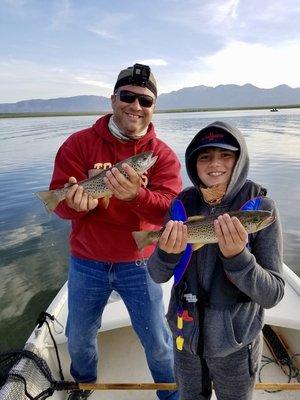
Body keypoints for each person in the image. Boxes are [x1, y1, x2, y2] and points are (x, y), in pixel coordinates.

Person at [48, 63, 181, 400]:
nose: (136, 106)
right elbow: (59, 204)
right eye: (128, 96)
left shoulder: (160, 154)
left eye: (145, 101)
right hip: (87, 261)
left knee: (159, 342)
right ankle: (85, 384)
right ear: (113, 99)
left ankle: (170, 393)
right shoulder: (78, 144)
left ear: (153, 108)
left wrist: (136, 195)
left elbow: (170, 209)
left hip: (141, 263)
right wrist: (75, 204)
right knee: (78, 338)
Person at [147, 121, 284, 400]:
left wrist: (239, 259)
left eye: (225, 155)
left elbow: (273, 294)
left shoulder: (261, 208)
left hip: (236, 345)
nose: (215, 164)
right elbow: (157, 275)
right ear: (193, 164)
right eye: (205, 156)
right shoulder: (180, 205)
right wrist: (166, 252)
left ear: (240, 159)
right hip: (185, 340)